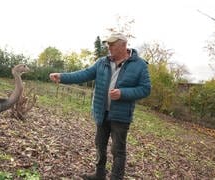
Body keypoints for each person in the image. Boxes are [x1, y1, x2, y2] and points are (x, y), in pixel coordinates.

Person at [49, 33, 151, 180]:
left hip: (121, 116)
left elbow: (145, 89)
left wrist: (123, 93)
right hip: (102, 113)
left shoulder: (139, 65)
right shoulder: (102, 62)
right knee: (100, 145)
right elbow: (84, 74)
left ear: (124, 45)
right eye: (108, 44)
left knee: (118, 150)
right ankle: (99, 174)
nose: (108, 47)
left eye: (112, 44)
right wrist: (63, 76)